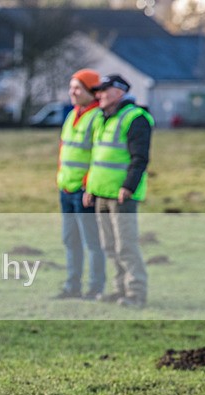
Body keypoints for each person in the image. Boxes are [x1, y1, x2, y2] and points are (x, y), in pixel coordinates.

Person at [83, 74, 154, 308]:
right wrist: (90, 188)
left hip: (122, 194)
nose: (99, 95)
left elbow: (139, 158)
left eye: (104, 90)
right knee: (110, 246)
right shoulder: (103, 119)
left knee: (126, 246)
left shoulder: (136, 118)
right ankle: (119, 290)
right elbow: (98, 158)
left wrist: (128, 186)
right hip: (101, 192)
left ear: (120, 92)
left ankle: (135, 294)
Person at [54, 69, 106, 300]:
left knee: (92, 242)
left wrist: (88, 186)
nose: (72, 92)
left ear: (91, 91)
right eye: (71, 87)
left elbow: (99, 155)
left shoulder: (97, 118)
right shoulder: (72, 115)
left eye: (78, 88)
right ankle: (72, 285)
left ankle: (95, 288)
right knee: (70, 240)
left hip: (84, 192)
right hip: (66, 188)